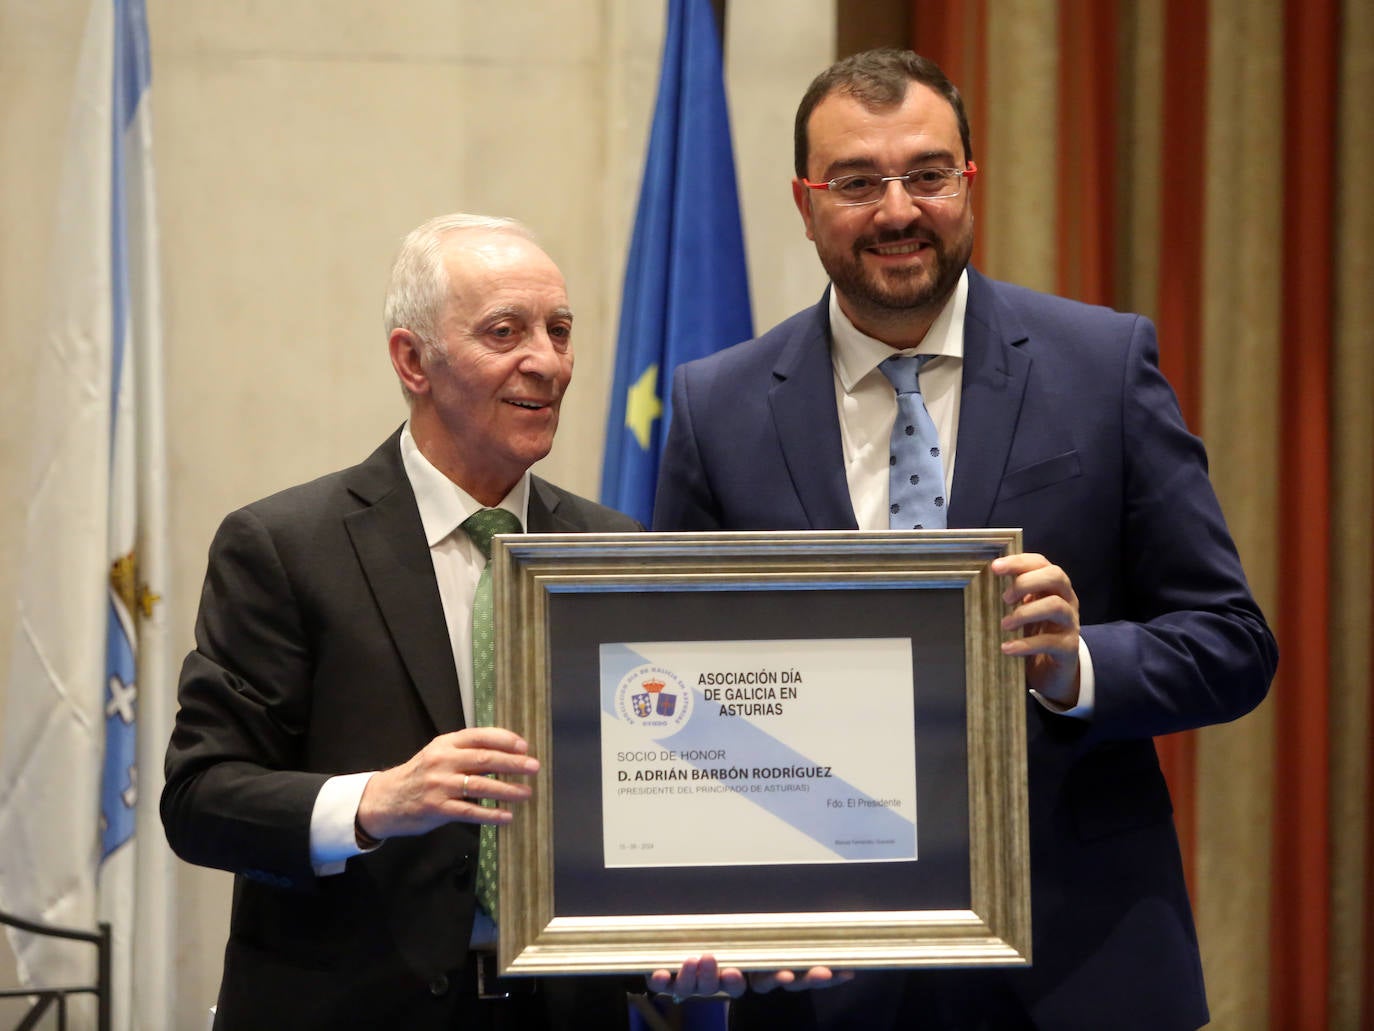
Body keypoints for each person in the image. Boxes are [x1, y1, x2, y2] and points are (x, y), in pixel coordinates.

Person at [651, 49, 1278, 1031]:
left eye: (929, 174)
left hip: (1081, 964)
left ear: (969, 182)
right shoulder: (716, 406)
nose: (897, 210)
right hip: (823, 977)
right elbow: (676, 691)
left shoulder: (1102, 366)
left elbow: (1233, 643)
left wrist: (1075, 664)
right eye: (857, 181)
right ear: (805, 200)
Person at [161, 213, 644, 1030]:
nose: (548, 361)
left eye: (559, 330)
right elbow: (200, 797)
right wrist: (373, 802)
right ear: (413, 360)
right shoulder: (284, 547)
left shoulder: (615, 551)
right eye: (506, 331)